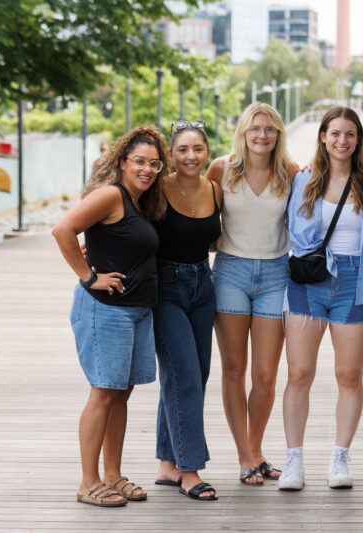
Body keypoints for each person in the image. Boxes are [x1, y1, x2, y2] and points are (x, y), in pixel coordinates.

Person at [277, 106, 363, 490]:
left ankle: (340, 457)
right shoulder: (303, 179)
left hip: (356, 281)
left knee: (348, 375)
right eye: (335, 133)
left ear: (359, 138)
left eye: (350, 134)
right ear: (323, 136)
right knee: (299, 374)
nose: (342, 141)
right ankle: (294, 460)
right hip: (308, 280)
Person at [52, 125, 168, 507]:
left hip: (136, 310)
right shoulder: (110, 195)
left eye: (154, 163)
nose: (147, 169)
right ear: (121, 162)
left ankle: (113, 475)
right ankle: (89, 482)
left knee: (121, 395)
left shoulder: (139, 202)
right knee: (103, 394)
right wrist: (89, 278)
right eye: (139, 161)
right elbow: (63, 229)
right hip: (106, 311)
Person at [206, 102, 299, 485]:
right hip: (230, 271)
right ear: (243, 132)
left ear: (279, 135)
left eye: (270, 129)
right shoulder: (220, 168)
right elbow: (197, 215)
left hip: (276, 273)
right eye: (255, 129)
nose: (262, 135)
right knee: (234, 369)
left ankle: (257, 449)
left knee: (265, 375)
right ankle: (245, 456)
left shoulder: (292, 173)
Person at [152, 120, 221, 501]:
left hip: (203, 285)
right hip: (165, 289)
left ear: (206, 152)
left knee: (195, 374)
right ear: (171, 155)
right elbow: (124, 222)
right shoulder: (157, 189)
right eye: (182, 150)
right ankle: (190, 470)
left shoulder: (214, 189)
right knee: (185, 378)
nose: (191, 156)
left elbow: (212, 239)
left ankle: (167, 463)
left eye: (197, 149)